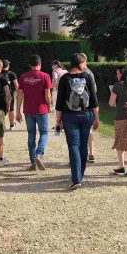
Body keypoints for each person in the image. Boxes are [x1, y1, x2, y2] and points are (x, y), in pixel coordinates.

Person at [55, 53, 99, 190]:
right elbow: (94, 100)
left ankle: (76, 179)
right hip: (86, 115)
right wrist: (97, 118)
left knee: (73, 146)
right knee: (83, 145)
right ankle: (81, 174)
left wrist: (58, 121)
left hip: (69, 116)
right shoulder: (87, 76)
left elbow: (60, 102)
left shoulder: (65, 78)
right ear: (81, 63)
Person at [16, 54, 52, 171]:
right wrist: (49, 106)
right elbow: (47, 94)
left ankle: (33, 162)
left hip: (28, 110)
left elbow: (19, 95)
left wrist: (18, 111)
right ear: (40, 64)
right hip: (41, 109)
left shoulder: (23, 77)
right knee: (44, 133)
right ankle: (39, 154)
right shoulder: (45, 76)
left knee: (31, 134)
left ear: (29, 65)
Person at [80, 53, 97, 163]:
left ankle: (86, 153)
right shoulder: (89, 72)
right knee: (88, 130)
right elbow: (95, 89)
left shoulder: (83, 73)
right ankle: (91, 153)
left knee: (83, 130)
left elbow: (94, 89)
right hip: (89, 104)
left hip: (84, 105)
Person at [0, 59, 19, 130]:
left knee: (0, 109)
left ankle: (1, 125)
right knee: (11, 109)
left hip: (0, 94)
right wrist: (19, 94)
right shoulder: (12, 74)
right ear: (8, 65)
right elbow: (16, 85)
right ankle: (11, 125)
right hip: (9, 94)